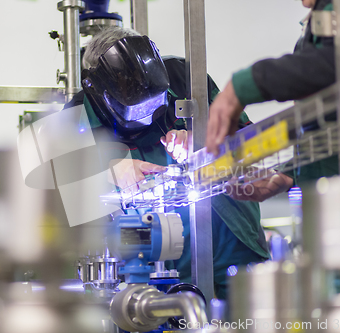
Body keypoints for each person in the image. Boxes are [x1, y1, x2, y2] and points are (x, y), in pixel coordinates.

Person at [64, 26, 269, 299]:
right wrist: (108, 170)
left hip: (234, 248)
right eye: (138, 109)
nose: (150, 116)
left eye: (156, 104)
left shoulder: (187, 79)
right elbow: (59, 197)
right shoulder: (76, 118)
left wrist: (204, 141)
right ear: (102, 96)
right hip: (153, 272)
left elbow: (250, 142)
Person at [205, 0, 340, 198]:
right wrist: (289, 174)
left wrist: (244, 85)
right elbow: (327, 124)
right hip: (331, 202)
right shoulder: (314, 31)